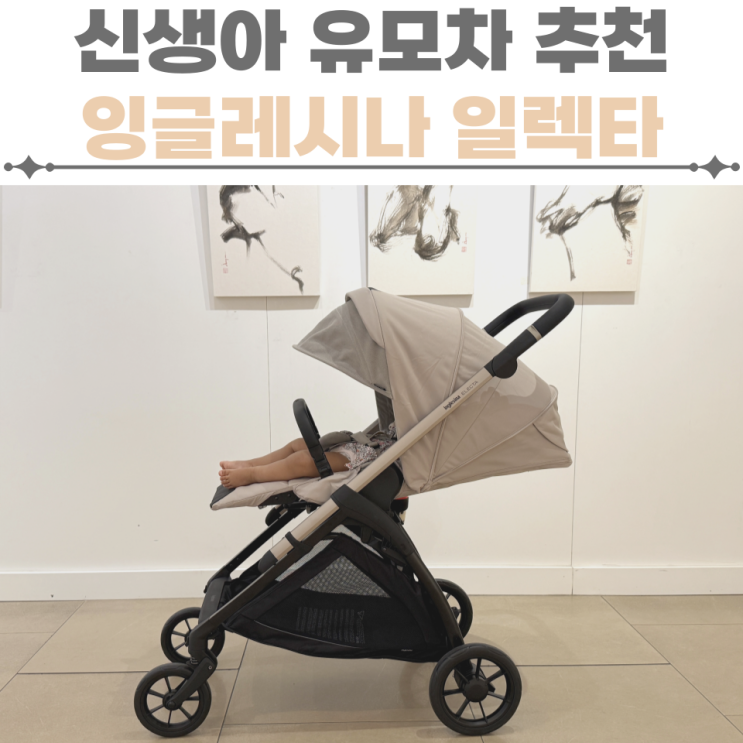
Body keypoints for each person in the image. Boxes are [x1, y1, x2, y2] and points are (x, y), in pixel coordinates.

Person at [219, 423, 397, 489]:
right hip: (362, 444)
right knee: (298, 444)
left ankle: (252, 474)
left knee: (303, 460)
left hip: (372, 458)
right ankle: (250, 464)